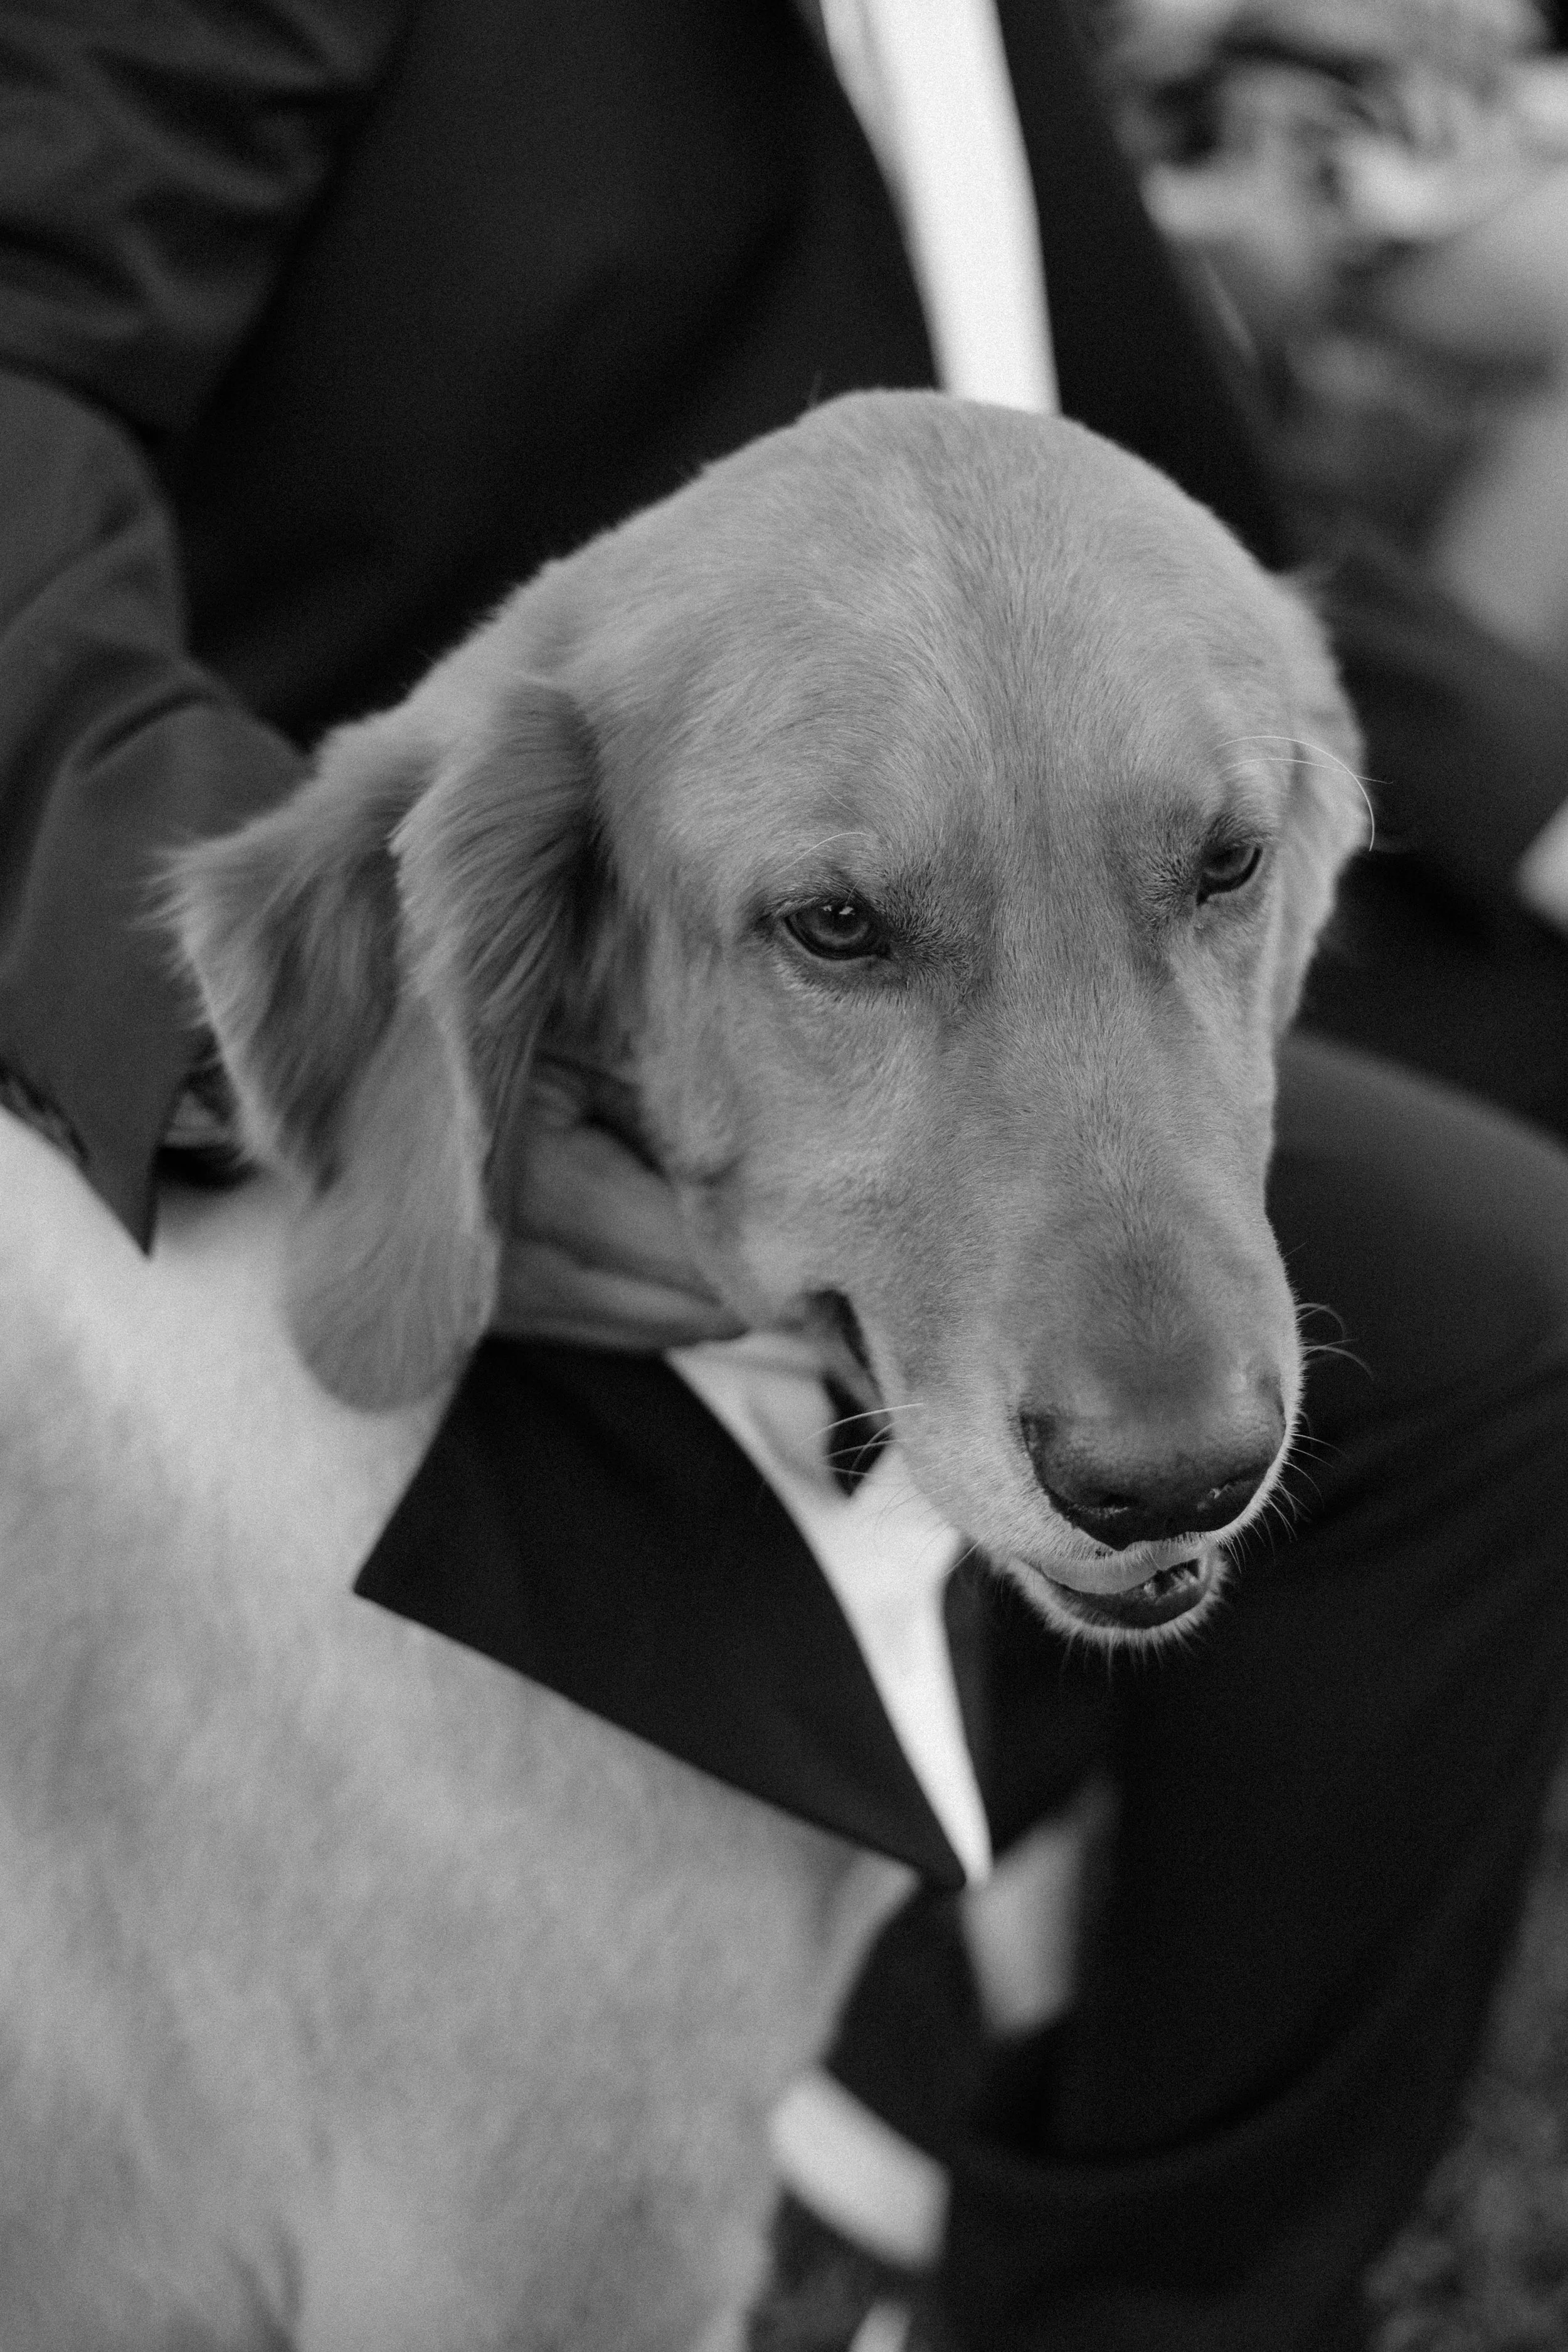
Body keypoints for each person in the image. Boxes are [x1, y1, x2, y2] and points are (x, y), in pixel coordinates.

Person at [2, 4, 1568, 2348]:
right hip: (518, 921)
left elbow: (1157, 470)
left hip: (1028, 820)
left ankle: (1114, 2251)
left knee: (1495, 1288)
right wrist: (388, 1062)